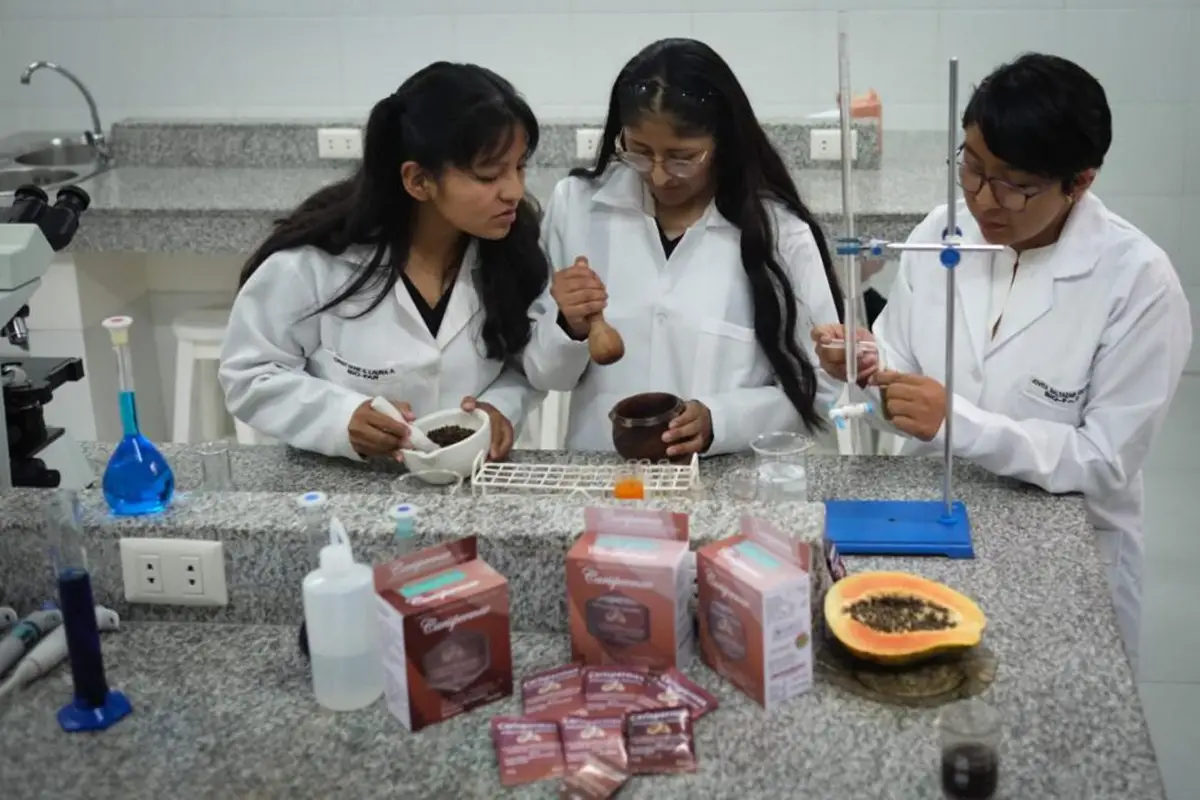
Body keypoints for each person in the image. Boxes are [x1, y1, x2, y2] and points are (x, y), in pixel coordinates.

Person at [813, 53, 1193, 670]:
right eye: (970, 166)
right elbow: (898, 361)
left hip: (1059, 548)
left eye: (1015, 183)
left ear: (1081, 180)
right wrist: (862, 363)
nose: (982, 199)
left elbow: (1104, 460)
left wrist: (958, 423)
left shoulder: (1138, 284)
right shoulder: (944, 229)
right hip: (925, 524)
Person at [524, 38, 844, 457]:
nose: (658, 176)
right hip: (605, 476)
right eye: (639, 152)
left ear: (723, 143)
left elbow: (825, 387)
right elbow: (542, 373)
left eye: (682, 157)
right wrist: (567, 327)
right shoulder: (578, 206)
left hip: (730, 482)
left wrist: (721, 420)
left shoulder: (780, 234)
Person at [219, 62, 552, 462]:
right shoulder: (318, 263)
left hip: (474, 479)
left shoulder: (514, 251)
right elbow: (251, 374)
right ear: (418, 180)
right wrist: (340, 419)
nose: (514, 191)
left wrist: (501, 408)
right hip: (347, 489)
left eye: (519, 167)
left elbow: (527, 362)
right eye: (489, 176)